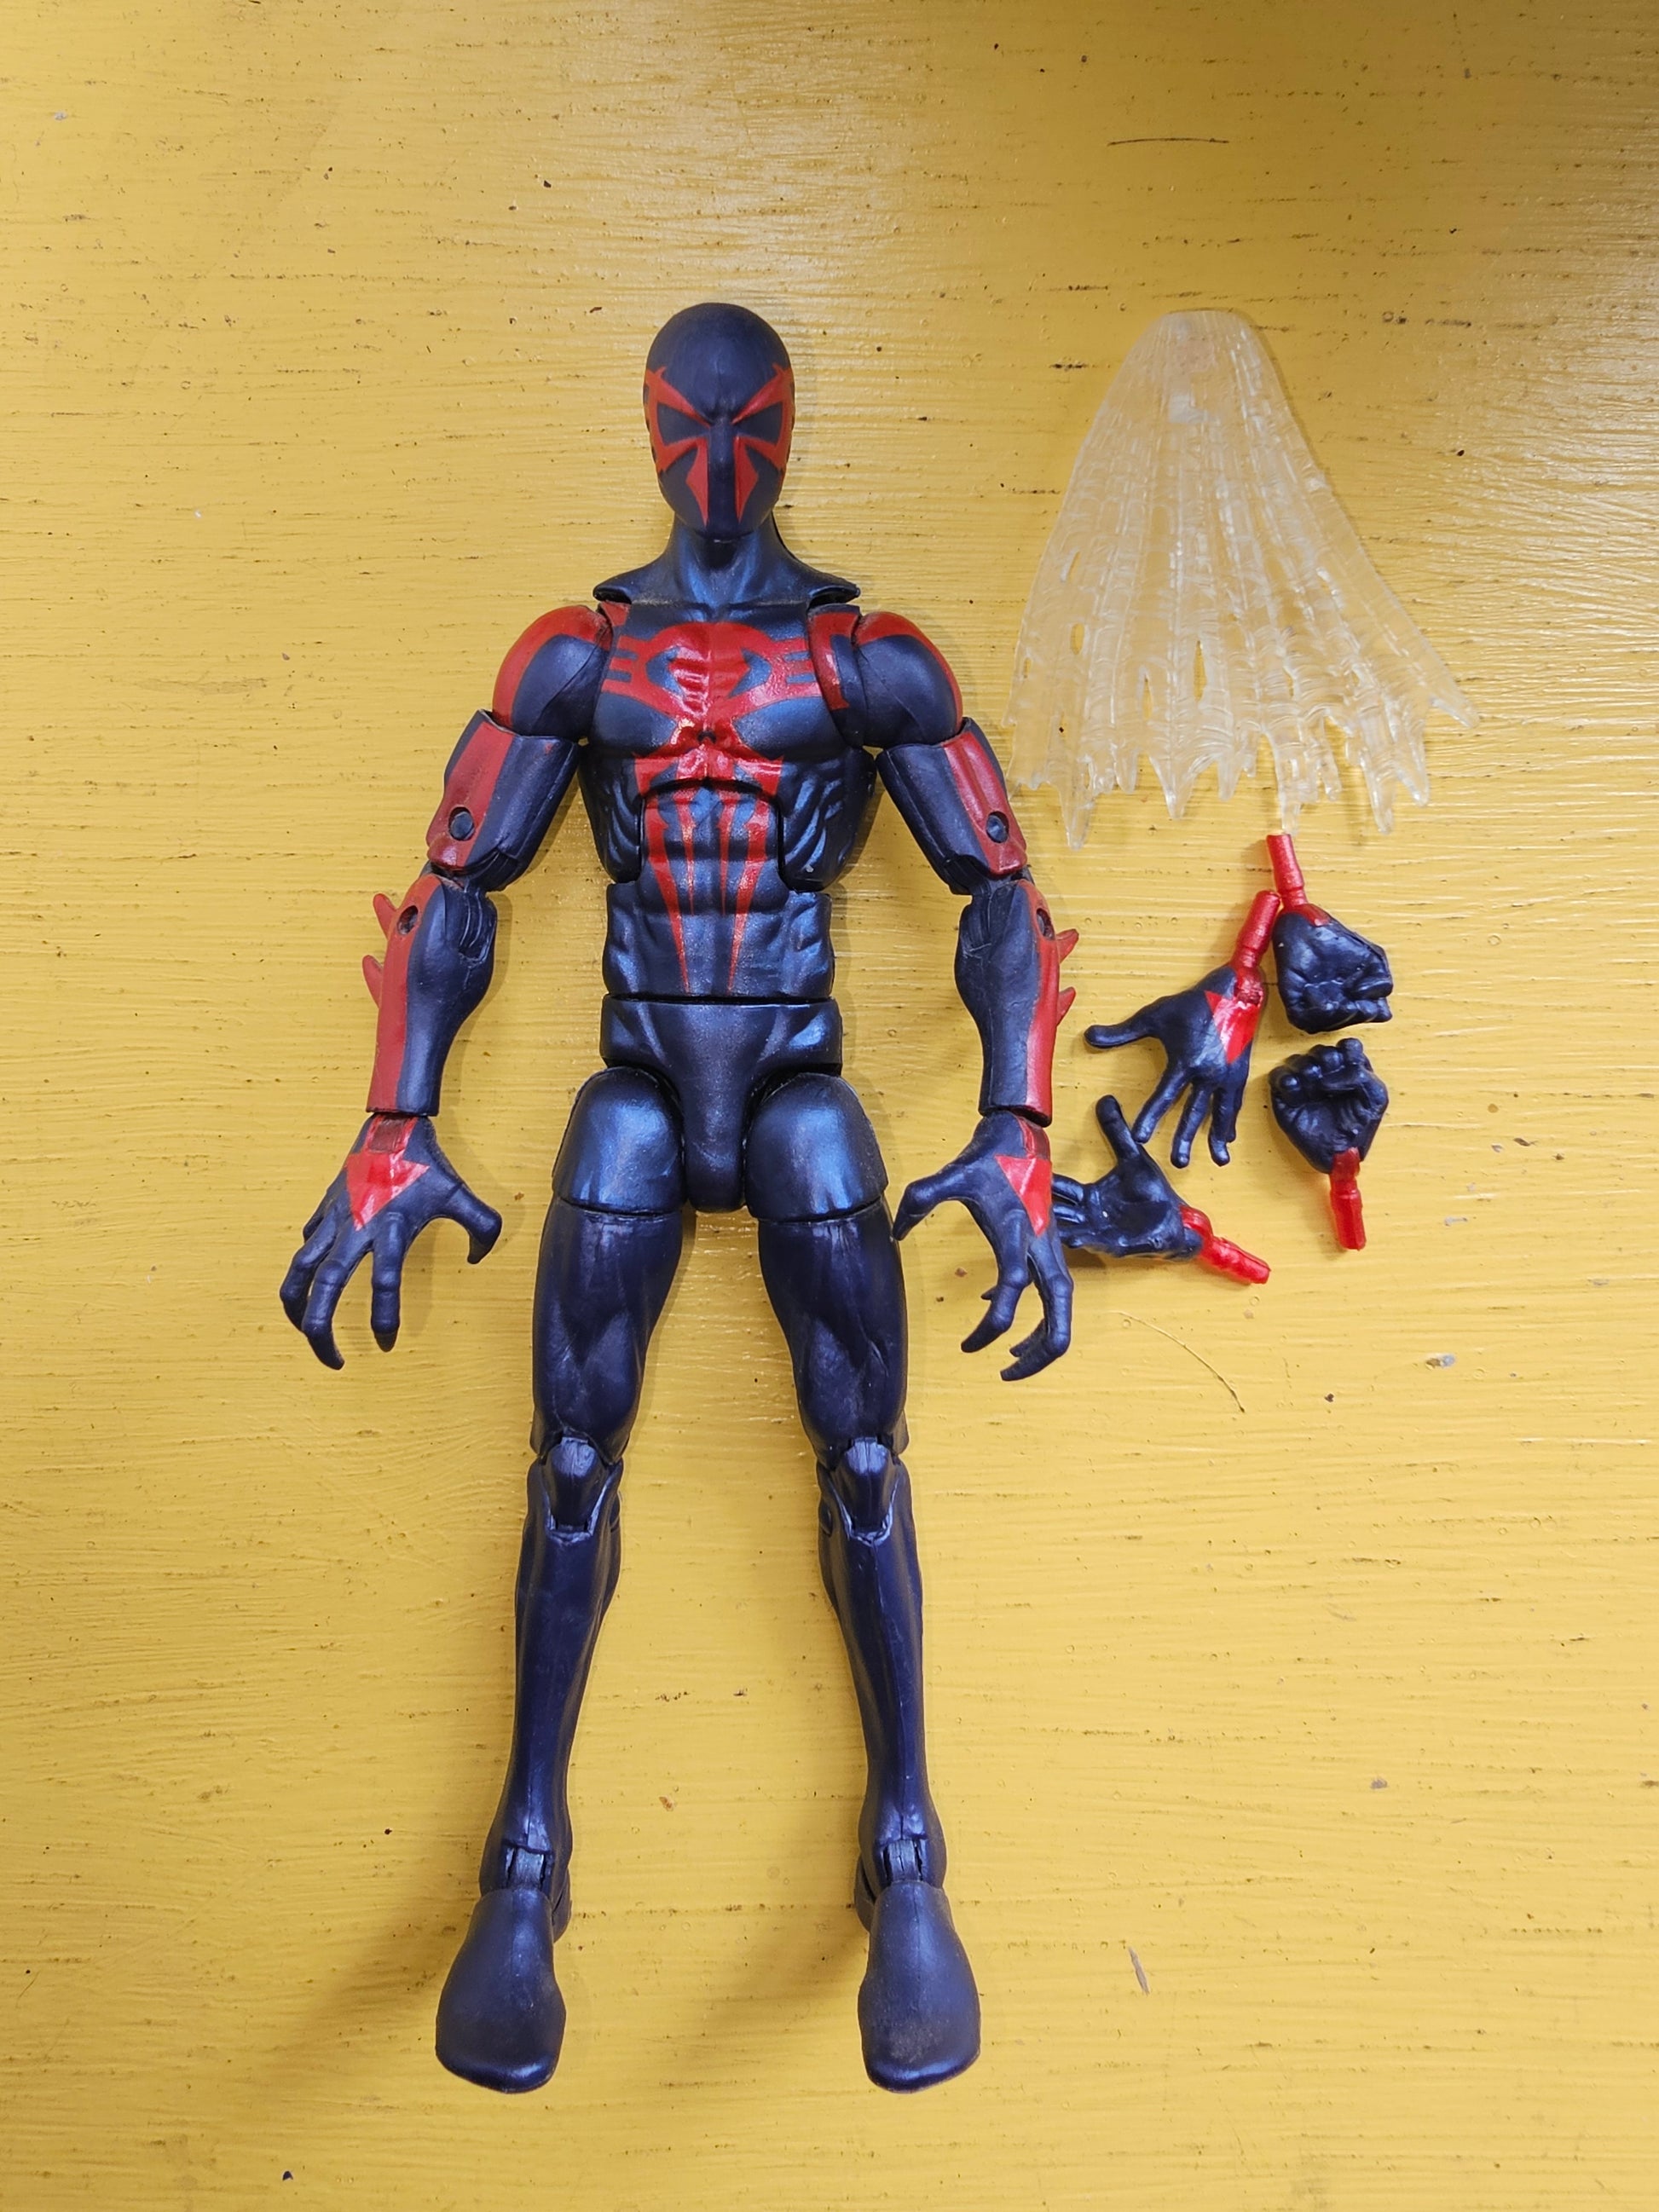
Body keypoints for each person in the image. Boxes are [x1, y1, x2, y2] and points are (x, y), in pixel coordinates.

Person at [281, 302, 1074, 2093]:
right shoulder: (582, 657)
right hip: (638, 1075)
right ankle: (524, 1867)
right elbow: (455, 887)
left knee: (863, 1455)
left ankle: (907, 1858)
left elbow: (1001, 892)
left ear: (789, 428)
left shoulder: (865, 662)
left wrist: (1016, 1119)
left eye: (748, 421)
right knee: (571, 1457)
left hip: (797, 1079)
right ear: (648, 428)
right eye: (687, 422)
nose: (718, 456)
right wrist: (395, 1117)